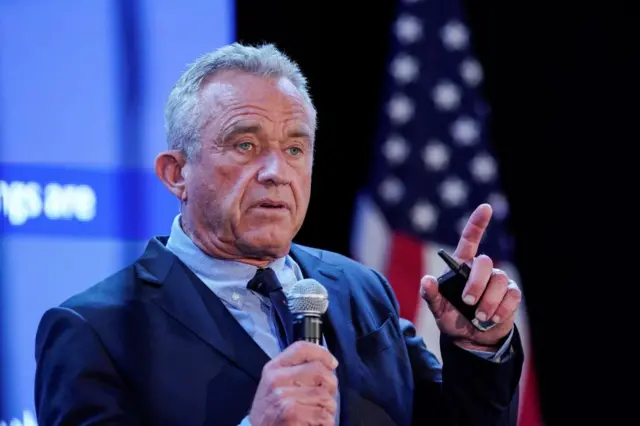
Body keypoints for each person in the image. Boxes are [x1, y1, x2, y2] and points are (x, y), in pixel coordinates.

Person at [34, 42, 524, 426]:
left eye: (295, 149)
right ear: (176, 173)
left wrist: (478, 349)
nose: (276, 172)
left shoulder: (359, 290)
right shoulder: (93, 331)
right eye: (245, 144)